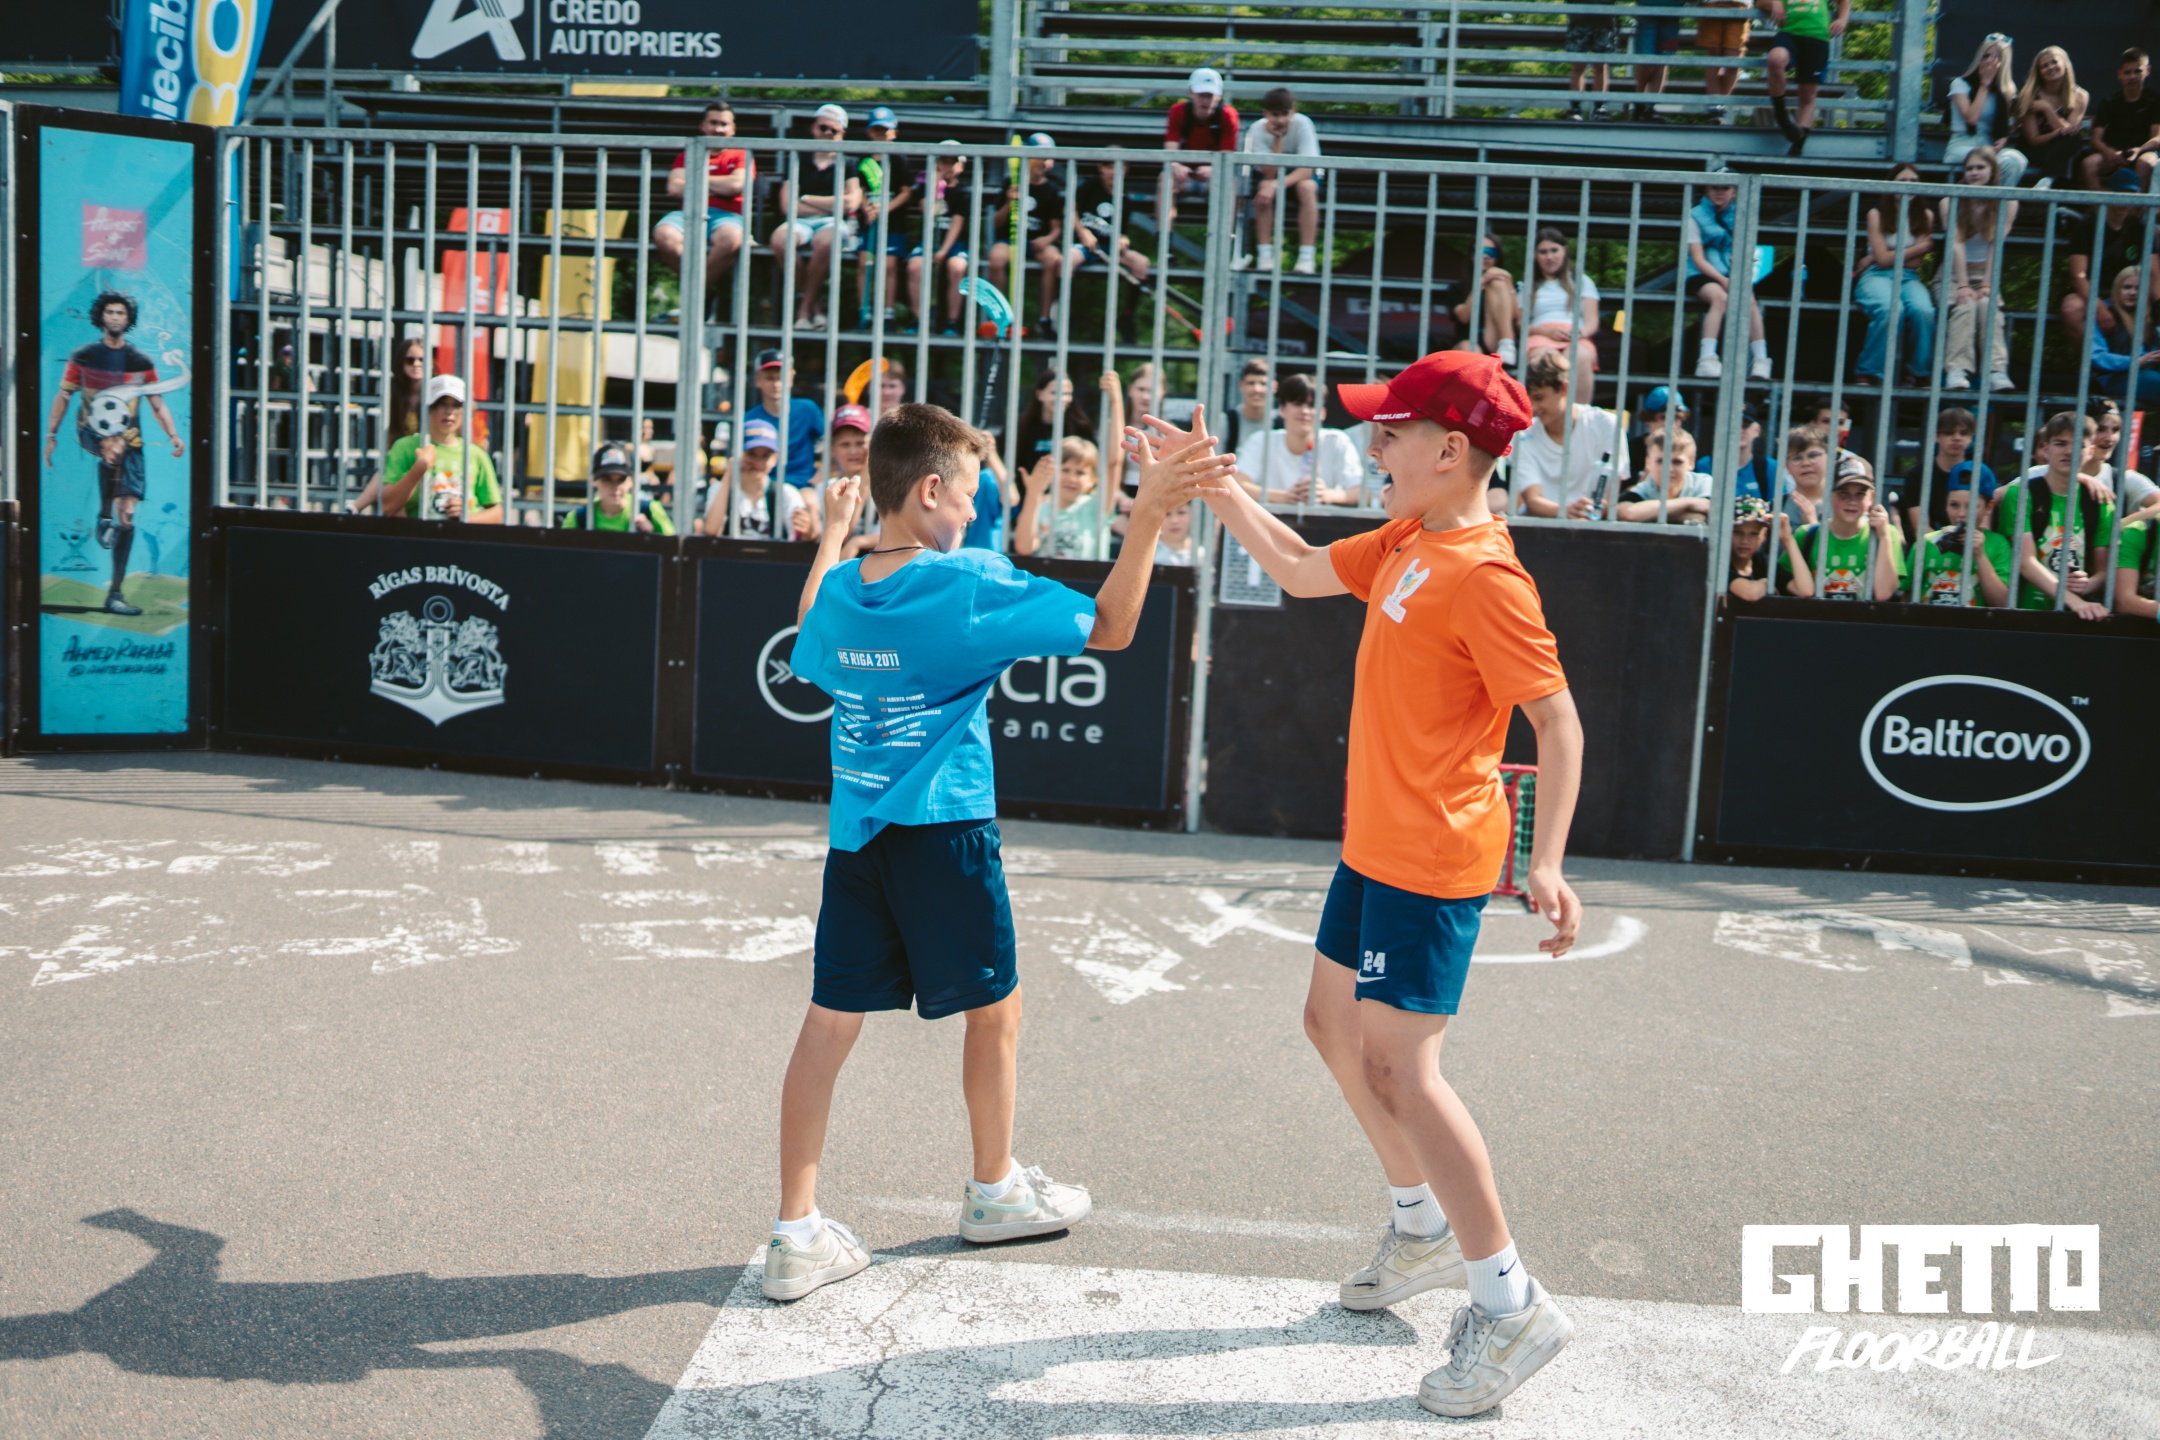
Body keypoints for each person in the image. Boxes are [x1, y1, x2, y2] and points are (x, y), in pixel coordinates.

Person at [1174, 350, 1583, 1419]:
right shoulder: (1408, 536)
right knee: (1330, 1025)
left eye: (1391, 432)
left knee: (1402, 1069)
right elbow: (1299, 566)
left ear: (1450, 451)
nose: (1373, 444)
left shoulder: (1486, 576)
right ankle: (1420, 1226)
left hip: (1434, 860)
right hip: (1376, 846)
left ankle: (1511, 1302)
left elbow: (1558, 723)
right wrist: (1217, 485)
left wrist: (1545, 863)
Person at [762, 403, 1234, 1302]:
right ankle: (994, 1190)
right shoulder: (969, 581)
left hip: (857, 841)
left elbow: (810, 631)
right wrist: (1145, 513)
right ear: (929, 490)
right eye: (970, 493)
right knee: (996, 1011)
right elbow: (1112, 626)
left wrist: (830, 537)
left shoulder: (847, 587)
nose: (977, 510)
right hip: (948, 832)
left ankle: (794, 1233)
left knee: (827, 1026)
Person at [43, 290, 186, 615]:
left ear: (128, 319)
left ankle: (115, 594)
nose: (116, 318)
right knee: (113, 445)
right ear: (101, 317)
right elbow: (64, 396)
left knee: (129, 516)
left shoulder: (140, 361)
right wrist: (51, 435)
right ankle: (104, 514)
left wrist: (173, 435)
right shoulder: (83, 356)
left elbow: (157, 403)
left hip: (131, 440)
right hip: (92, 431)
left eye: (121, 313)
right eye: (110, 312)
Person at [1992, 411, 2114, 616]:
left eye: (2079, 445)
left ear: (2091, 451)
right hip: (2025, 616)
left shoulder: (2101, 502)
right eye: (2060, 444)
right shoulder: (2020, 494)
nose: (2069, 451)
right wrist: (2075, 601)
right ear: (2046, 449)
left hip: (2079, 618)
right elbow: (2025, 562)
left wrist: (2087, 585)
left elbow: (2104, 571)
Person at [768, 104, 864, 331]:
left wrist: (807, 199)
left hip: (832, 224)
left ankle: (803, 309)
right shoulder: (798, 159)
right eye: (823, 128)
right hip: (801, 223)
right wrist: (832, 204)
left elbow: (851, 203)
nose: (828, 133)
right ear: (813, 128)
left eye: (834, 130)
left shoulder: (850, 162)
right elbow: (787, 205)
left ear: (842, 134)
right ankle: (815, 307)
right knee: (780, 240)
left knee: (826, 242)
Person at [1509, 352, 1629, 518]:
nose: (1532, 407)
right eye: (1527, 399)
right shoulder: (1521, 437)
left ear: (1564, 389)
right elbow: (1533, 500)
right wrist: (1568, 512)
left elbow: (1609, 498)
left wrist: (1582, 517)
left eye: (1539, 397)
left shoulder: (1607, 425)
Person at [654, 102, 754, 297]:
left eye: (724, 124)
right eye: (713, 123)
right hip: (688, 214)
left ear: (733, 129)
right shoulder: (687, 154)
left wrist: (695, 181)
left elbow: (735, 186)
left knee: (731, 238)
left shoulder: (741, 155)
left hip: (727, 216)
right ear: (703, 126)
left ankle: (694, 295)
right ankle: (703, 292)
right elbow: (674, 188)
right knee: (663, 235)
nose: (718, 129)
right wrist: (720, 185)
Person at [1852, 165, 1937, 386]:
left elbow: (1915, 263)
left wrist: (1882, 255)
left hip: (1909, 276)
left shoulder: (1926, 216)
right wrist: (1920, 247)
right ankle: (1870, 371)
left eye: (1914, 181)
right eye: (1902, 180)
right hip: (1876, 275)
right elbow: (1882, 260)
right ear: (1891, 184)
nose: (1908, 186)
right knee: (1891, 309)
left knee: (1924, 311)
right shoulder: (1876, 214)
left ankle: (1919, 372)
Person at [378, 375, 502, 525]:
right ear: (427, 407)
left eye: (456, 405)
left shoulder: (476, 454)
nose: (449, 411)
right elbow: (388, 507)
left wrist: (466, 517)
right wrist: (419, 468)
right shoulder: (404, 447)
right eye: (441, 404)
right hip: (419, 537)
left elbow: (497, 514)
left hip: (463, 538)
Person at [1942, 148, 2017, 393]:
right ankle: (1957, 370)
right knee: (1965, 306)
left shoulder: (2007, 202)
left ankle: (1996, 371)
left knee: (1987, 305)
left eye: (1980, 167)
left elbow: (1996, 245)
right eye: (1969, 168)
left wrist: (1987, 284)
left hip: (1985, 271)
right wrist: (1963, 285)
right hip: (1953, 273)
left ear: (1992, 170)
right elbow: (1956, 243)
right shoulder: (1950, 201)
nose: (1974, 173)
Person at [1684, 177, 1772, 380]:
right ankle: (1706, 358)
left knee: (1749, 299)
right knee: (1720, 298)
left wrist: (1736, 278)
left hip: (1730, 274)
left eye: (1725, 187)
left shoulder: (1742, 216)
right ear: (1707, 189)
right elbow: (1698, 259)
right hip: (1700, 274)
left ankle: (1761, 361)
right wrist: (1724, 281)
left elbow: (1747, 253)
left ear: (1734, 192)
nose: (1719, 192)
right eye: (1715, 187)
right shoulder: (1694, 216)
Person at [1232, 372, 1366, 505]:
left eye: (1311, 405)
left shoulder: (1337, 441)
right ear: (1282, 409)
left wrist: (1326, 495)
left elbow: (1363, 492)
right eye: (1297, 404)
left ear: (1323, 413)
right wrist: (1283, 497)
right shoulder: (1261, 440)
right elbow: (1237, 484)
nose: (1304, 411)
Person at [1792, 454, 1905, 600]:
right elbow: (1783, 581)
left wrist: (1883, 537)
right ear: (1829, 495)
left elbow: (1884, 593)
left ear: (1871, 498)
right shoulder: (1807, 535)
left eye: (1860, 495)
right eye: (1843, 494)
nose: (1852, 502)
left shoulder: (1887, 533)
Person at [1236, 87, 1321, 275]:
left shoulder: (1303, 124)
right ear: (1266, 114)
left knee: (1307, 188)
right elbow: (1268, 173)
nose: (1281, 120)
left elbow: (1307, 169)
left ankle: (1306, 257)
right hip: (1273, 176)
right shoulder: (1257, 130)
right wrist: (1278, 140)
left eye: (1285, 114)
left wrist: (1275, 185)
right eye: (1275, 115)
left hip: (1300, 176)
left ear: (1294, 111)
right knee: (1263, 187)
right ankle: (1265, 255)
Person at [2061, 194, 2160, 342]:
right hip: (2094, 293)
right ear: (2107, 193)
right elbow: (2078, 275)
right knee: (2072, 308)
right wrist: (2099, 308)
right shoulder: (2087, 226)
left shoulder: (2140, 229)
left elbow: (2154, 274)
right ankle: (2093, 356)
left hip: (2128, 291)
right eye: (2120, 193)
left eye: (2130, 194)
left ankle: (2145, 354)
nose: (2124, 200)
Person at [347, 337, 429, 515]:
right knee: (389, 472)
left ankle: (356, 507)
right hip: (405, 457)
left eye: (422, 359)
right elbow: (392, 437)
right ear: (400, 363)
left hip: (429, 456)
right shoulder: (395, 394)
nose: (416, 364)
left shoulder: (435, 394)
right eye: (410, 360)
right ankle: (355, 508)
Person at [1759, 0, 1849, 156]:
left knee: (1808, 93)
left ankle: (1798, 144)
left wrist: (1842, 20)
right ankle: (1782, 117)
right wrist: (1776, 3)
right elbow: (1761, 3)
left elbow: (1844, 2)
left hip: (1817, 36)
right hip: (1789, 32)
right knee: (1775, 59)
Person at [904, 144, 976, 336]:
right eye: (944, 162)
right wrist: (935, 188)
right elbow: (929, 213)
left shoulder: (963, 192)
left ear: (961, 166)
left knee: (957, 267)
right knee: (915, 266)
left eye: (953, 162)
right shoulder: (925, 188)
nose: (948, 167)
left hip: (953, 243)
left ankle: (952, 321)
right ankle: (919, 319)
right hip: (928, 240)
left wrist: (943, 250)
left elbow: (957, 224)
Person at [703, 417, 813, 539]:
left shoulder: (786, 493)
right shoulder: (720, 489)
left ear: (775, 459)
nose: (758, 462)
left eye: (765, 456)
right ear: (738, 454)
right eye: (751, 454)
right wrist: (729, 475)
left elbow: (802, 537)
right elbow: (712, 530)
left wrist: (807, 528)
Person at [1162, 66, 1240, 232]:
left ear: (1218, 96)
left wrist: (1213, 169)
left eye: (1209, 95)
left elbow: (1227, 158)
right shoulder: (1178, 111)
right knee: (1165, 180)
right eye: (1201, 95)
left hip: (1214, 177)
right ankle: (1164, 237)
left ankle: (1224, 237)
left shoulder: (1228, 115)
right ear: (1191, 93)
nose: (1205, 101)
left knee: (1229, 184)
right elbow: (1170, 153)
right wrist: (1176, 166)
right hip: (1185, 176)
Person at [1945, 34, 2029, 188]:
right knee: (1987, 162)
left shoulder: (2007, 91)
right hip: (1962, 144)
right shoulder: (1960, 84)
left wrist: (2004, 136)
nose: (1990, 61)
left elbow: (2007, 124)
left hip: (1989, 145)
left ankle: (1997, 202)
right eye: (1986, 56)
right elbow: (1971, 118)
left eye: (1997, 57)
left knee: (2015, 160)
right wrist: (1984, 84)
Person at [1911, 481, 2011, 607]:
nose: (1961, 514)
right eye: (1954, 505)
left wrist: (1980, 556)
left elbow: (2002, 603)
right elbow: (1907, 599)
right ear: (1946, 504)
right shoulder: (1926, 543)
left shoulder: (1999, 544)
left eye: (1971, 506)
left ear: (1989, 507)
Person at [1895, 407, 1993, 535]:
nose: (1956, 438)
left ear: (1970, 438)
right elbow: (1921, 530)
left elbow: (1984, 527)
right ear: (1936, 436)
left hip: (1972, 543)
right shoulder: (1917, 476)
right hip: (1931, 545)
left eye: (1963, 433)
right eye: (1949, 433)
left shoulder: (1980, 473)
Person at [1517, 227, 1599, 375]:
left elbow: (1592, 321)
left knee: (1579, 355)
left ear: (1564, 251)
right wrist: (1547, 332)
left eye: (1554, 250)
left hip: (1575, 336)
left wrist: (1581, 332)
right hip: (1541, 336)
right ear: (1535, 255)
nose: (1549, 257)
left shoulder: (1582, 281)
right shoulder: (1528, 285)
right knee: (1545, 361)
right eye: (1543, 252)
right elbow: (1520, 324)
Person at [1013, 435, 1109, 559]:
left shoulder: (1097, 506)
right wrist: (1033, 493)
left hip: (1088, 572)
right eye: (1065, 470)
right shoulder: (1040, 508)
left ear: (1093, 479)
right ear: (1051, 472)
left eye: (1080, 473)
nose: (1071, 478)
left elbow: (1114, 463)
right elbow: (1024, 548)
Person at [2080, 49, 2160, 195]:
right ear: (2119, 74)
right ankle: (2100, 207)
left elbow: (2157, 137)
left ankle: (2135, 208)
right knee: (2088, 164)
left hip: (2144, 151)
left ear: (2147, 71)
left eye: (2137, 71)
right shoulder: (2108, 102)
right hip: (2114, 153)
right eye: (2127, 72)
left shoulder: (2155, 101)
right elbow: (2096, 140)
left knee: (2145, 163)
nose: (2132, 77)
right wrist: (2111, 154)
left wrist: (2139, 150)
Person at [748, 348, 827, 493]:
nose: (776, 384)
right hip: (764, 487)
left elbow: (832, 443)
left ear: (791, 378)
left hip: (803, 485)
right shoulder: (749, 419)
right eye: (769, 378)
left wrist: (820, 475)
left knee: (811, 504)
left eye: (781, 377)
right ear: (758, 380)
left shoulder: (808, 409)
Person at [2015, 46, 2090, 187]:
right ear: (2039, 72)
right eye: (2044, 66)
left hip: (2065, 148)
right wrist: (2059, 132)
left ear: (2065, 63)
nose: (2050, 67)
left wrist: (2047, 109)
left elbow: (2070, 132)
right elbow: (2033, 139)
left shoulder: (2080, 96)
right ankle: (2051, 184)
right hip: (2036, 149)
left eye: (2054, 62)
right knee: (2068, 151)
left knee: (2072, 144)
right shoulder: (2030, 95)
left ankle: (2047, 182)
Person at [561, 442, 675, 533]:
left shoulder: (650, 510)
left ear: (631, 481)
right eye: (606, 479)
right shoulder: (578, 519)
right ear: (593, 481)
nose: (615, 487)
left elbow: (673, 549)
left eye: (621, 480)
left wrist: (652, 535)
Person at [2090, 264, 2160, 403]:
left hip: (2148, 374)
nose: (2132, 293)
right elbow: (2096, 356)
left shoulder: (2151, 316)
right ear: (2117, 289)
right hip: (2116, 378)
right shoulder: (2104, 314)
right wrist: (2137, 362)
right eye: (2127, 287)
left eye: (2138, 288)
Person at [1615, 426, 1711, 522]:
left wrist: (1649, 514)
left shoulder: (1703, 483)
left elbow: (1710, 515)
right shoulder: (1644, 488)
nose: (1669, 469)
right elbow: (1627, 513)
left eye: (1677, 462)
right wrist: (1689, 503)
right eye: (1660, 461)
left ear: (1691, 463)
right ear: (1648, 463)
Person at [1727, 495, 1814, 600]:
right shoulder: (1721, 564)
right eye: (1737, 532)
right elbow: (1750, 593)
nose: (1745, 541)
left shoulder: (1764, 563)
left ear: (1764, 534)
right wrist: (1766, 583)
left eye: (1754, 534)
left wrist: (1787, 540)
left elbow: (1805, 590)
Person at [1453, 234, 1519, 365]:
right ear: (1471, 255)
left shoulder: (1509, 285)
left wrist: (1508, 283)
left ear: (1497, 256)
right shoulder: (1458, 287)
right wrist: (1481, 283)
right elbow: (1463, 317)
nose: (1485, 256)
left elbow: (1516, 317)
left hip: (1495, 340)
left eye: (1490, 252)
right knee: (1471, 349)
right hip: (1469, 342)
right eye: (1480, 251)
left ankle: (1507, 343)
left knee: (1497, 283)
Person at [1697, 0, 1753, 122]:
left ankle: (1721, 103)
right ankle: (1715, 106)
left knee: (1733, 61)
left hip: (1739, 5)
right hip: (1712, 3)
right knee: (1714, 57)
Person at [1630, 0, 1683, 121]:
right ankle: (1639, 103)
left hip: (1673, 14)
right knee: (1645, 61)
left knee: (1663, 60)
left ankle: (1650, 107)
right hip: (1647, 12)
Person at [1564, 9, 1619, 121]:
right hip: (1579, 20)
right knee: (1578, 66)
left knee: (1601, 66)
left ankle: (1600, 107)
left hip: (1605, 21)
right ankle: (1575, 108)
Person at [1778, 423, 1832, 529]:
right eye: (1797, 458)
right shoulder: (1776, 507)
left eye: (1813, 456)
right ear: (1786, 466)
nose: (1805, 463)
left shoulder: (1844, 505)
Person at [1224, 358, 1277, 455]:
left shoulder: (1281, 423)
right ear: (1241, 386)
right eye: (1251, 383)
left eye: (1263, 384)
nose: (1256, 389)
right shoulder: (1227, 421)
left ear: (1274, 387)